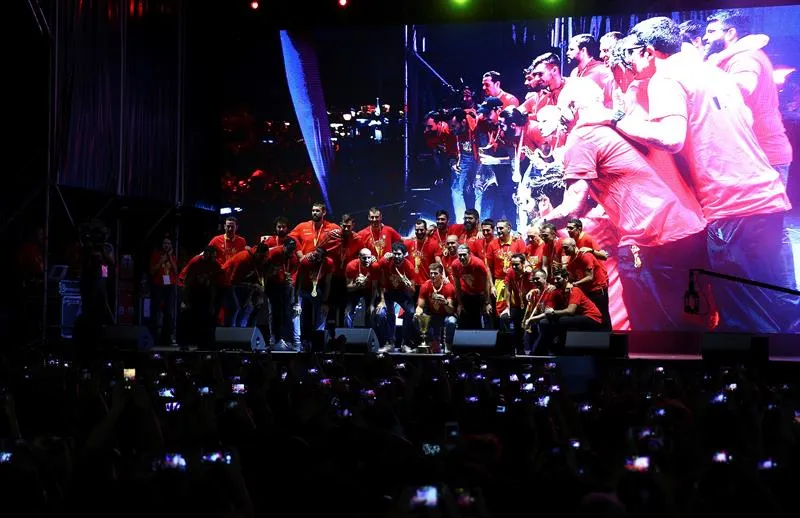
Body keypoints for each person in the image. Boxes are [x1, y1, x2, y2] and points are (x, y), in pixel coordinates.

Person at [611, 17, 797, 332]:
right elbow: (746, 119)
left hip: (731, 206)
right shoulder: (715, 73)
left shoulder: (666, 77)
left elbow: (671, 137)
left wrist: (620, 120)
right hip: (768, 197)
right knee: (780, 304)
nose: (630, 62)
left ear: (648, 51)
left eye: (633, 53)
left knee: (746, 318)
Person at [531, 270, 604, 355]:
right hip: (578, 316)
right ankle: (549, 350)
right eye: (554, 279)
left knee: (558, 321)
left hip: (592, 318)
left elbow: (570, 311)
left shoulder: (574, 290)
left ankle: (555, 349)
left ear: (566, 278)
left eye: (558, 279)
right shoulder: (560, 291)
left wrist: (553, 312)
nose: (555, 281)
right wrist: (533, 318)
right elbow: (548, 310)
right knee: (545, 322)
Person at [375, 242, 418, 352]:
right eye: (395, 254)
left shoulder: (409, 267)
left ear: (404, 254)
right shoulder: (387, 261)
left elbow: (413, 291)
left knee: (411, 312)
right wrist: (383, 258)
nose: (397, 256)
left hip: (403, 293)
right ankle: (390, 343)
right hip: (389, 292)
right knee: (385, 314)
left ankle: (405, 343)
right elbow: (375, 269)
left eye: (399, 254)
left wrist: (407, 285)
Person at [414, 262, 457, 352]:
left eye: (435, 273)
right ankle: (430, 342)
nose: (433, 275)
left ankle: (448, 345)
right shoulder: (425, 286)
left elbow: (450, 311)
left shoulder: (449, 287)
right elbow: (420, 306)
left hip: (445, 316)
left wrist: (445, 302)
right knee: (416, 319)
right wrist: (417, 313)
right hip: (432, 315)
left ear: (441, 274)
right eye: (431, 273)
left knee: (452, 321)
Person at [452, 244, 493, 330]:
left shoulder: (478, 264)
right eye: (460, 255)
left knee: (482, 319)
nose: (462, 257)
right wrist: (460, 303)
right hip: (466, 294)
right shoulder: (455, 264)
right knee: (465, 321)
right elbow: (457, 286)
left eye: (464, 255)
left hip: (479, 294)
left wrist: (487, 302)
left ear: (469, 254)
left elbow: (486, 284)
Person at [148, 236, 178, 345]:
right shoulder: (156, 255)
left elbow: (176, 271)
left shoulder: (172, 256)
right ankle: (154, 336)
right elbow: (152, 271)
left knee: (168, 312)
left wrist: (169, 257)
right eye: (165, 243)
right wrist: (161, 261)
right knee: (155, 311)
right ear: (162, 244)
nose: (166, 245)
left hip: (169, 286)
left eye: (168, 243)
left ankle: (166, 337)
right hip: (158, 285)